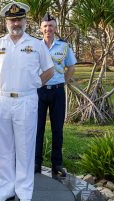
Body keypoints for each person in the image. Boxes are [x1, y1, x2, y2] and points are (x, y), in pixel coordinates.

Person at [0, 2, 54, 201]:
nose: (16, 23)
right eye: (12, 19)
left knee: (25, 147)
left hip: (26, 100)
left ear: (25, 21)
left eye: (19, 19)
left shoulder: (36, 44)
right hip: (1, 99)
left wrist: (33, 84)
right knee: (3, 147)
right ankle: (4, 190)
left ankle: (24, 193)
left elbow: (49, 70)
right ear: (6, 22)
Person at [35, 13, 77, 177]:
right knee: (37, 128)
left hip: (58, 91)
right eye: (45, 26)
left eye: (51, 25)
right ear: (41, 29)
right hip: (39, 91)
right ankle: (36, 163)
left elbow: (71, 67)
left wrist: (62, 82)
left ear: (56, 27)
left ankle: (57, 164)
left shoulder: (64, 46)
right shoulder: (35, 46)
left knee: (57, 129)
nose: (48, 29)